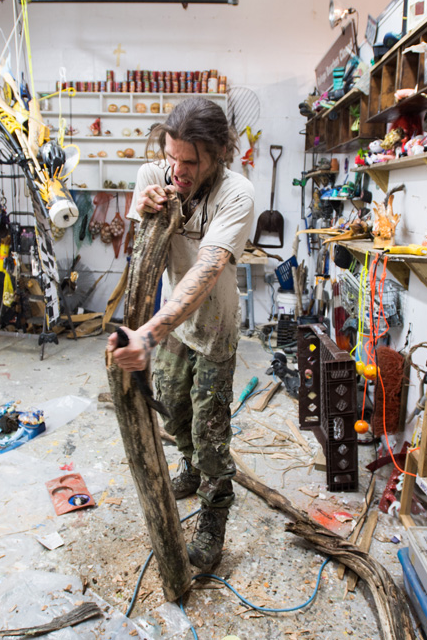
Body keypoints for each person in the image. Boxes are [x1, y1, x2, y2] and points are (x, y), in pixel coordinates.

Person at [108, 97, 256, 571]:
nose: (177, 169)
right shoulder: (153, 177)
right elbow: (142, 252)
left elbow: (207, 269)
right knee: (173, 410)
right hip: (173, 324)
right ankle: (190, 466)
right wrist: (149, 209)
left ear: (219, 154)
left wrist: (147, 335)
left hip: (214, 327)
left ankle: (214, 518)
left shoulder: (237, 194)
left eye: (190, 161)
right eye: (171, 156)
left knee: (210, 431)